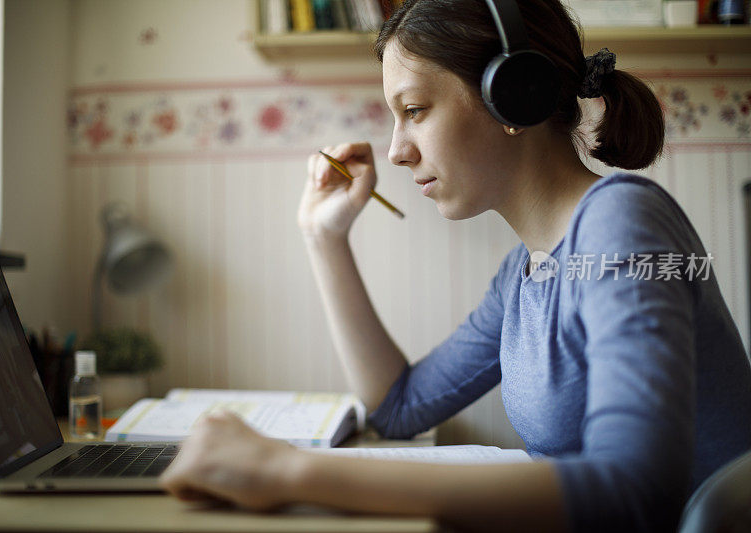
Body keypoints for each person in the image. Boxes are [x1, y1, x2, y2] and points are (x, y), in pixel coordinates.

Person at [160, 0, 751, 531]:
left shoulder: (623, 226)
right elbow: (398, 406)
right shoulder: (526, 276)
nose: (396, 150)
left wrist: (290, 471)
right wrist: (325, 237)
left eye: (414, 109)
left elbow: (635, 493)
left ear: (513, 95)